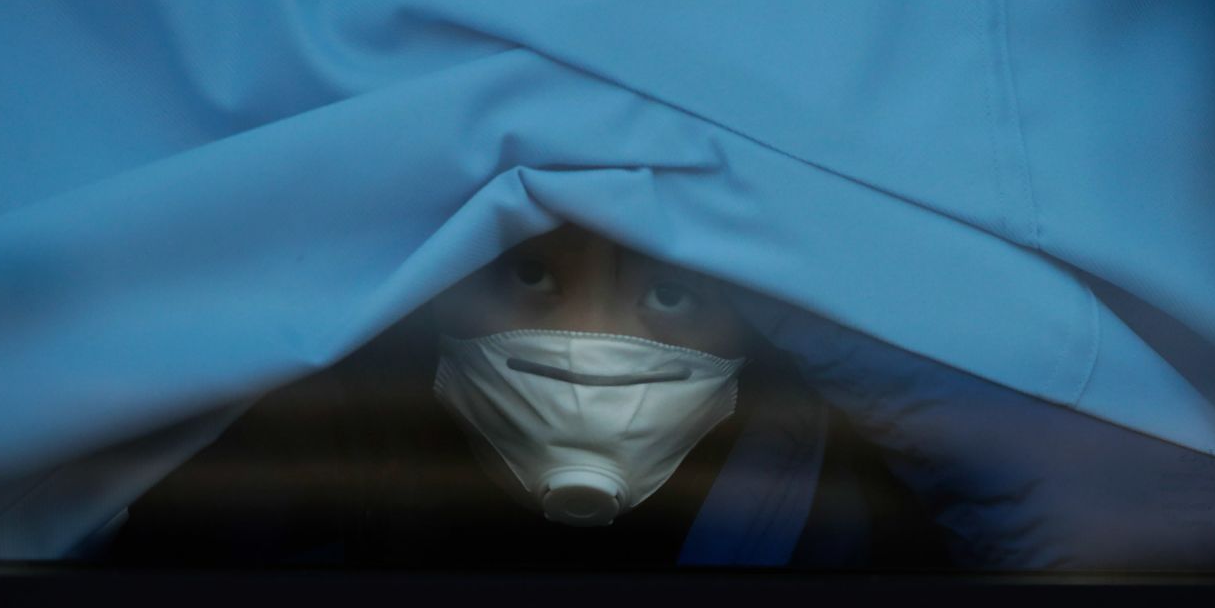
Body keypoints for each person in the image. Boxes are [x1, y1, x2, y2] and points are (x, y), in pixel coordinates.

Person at [107, 224, 942, 568]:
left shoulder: (851, 531)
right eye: (530, 271)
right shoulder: (277, 485)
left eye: (673, 295)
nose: (586, 345)